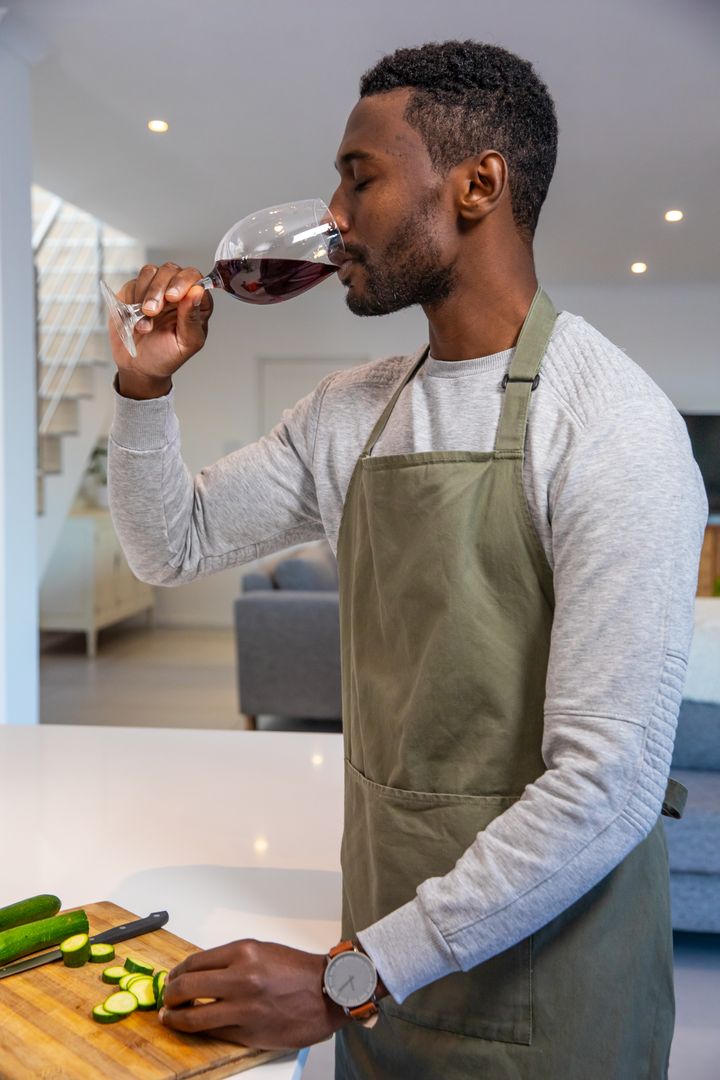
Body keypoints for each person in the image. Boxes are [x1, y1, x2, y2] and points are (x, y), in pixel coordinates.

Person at [106, 39, 708, 1080]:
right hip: (377, 985)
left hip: (547, 1001)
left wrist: (350, 973)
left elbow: (607, 787)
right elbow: (173, 545)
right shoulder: (353, 411)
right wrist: (144, 392)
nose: (335, 214)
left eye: (360, 176)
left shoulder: (614, 427)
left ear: (478, 185)